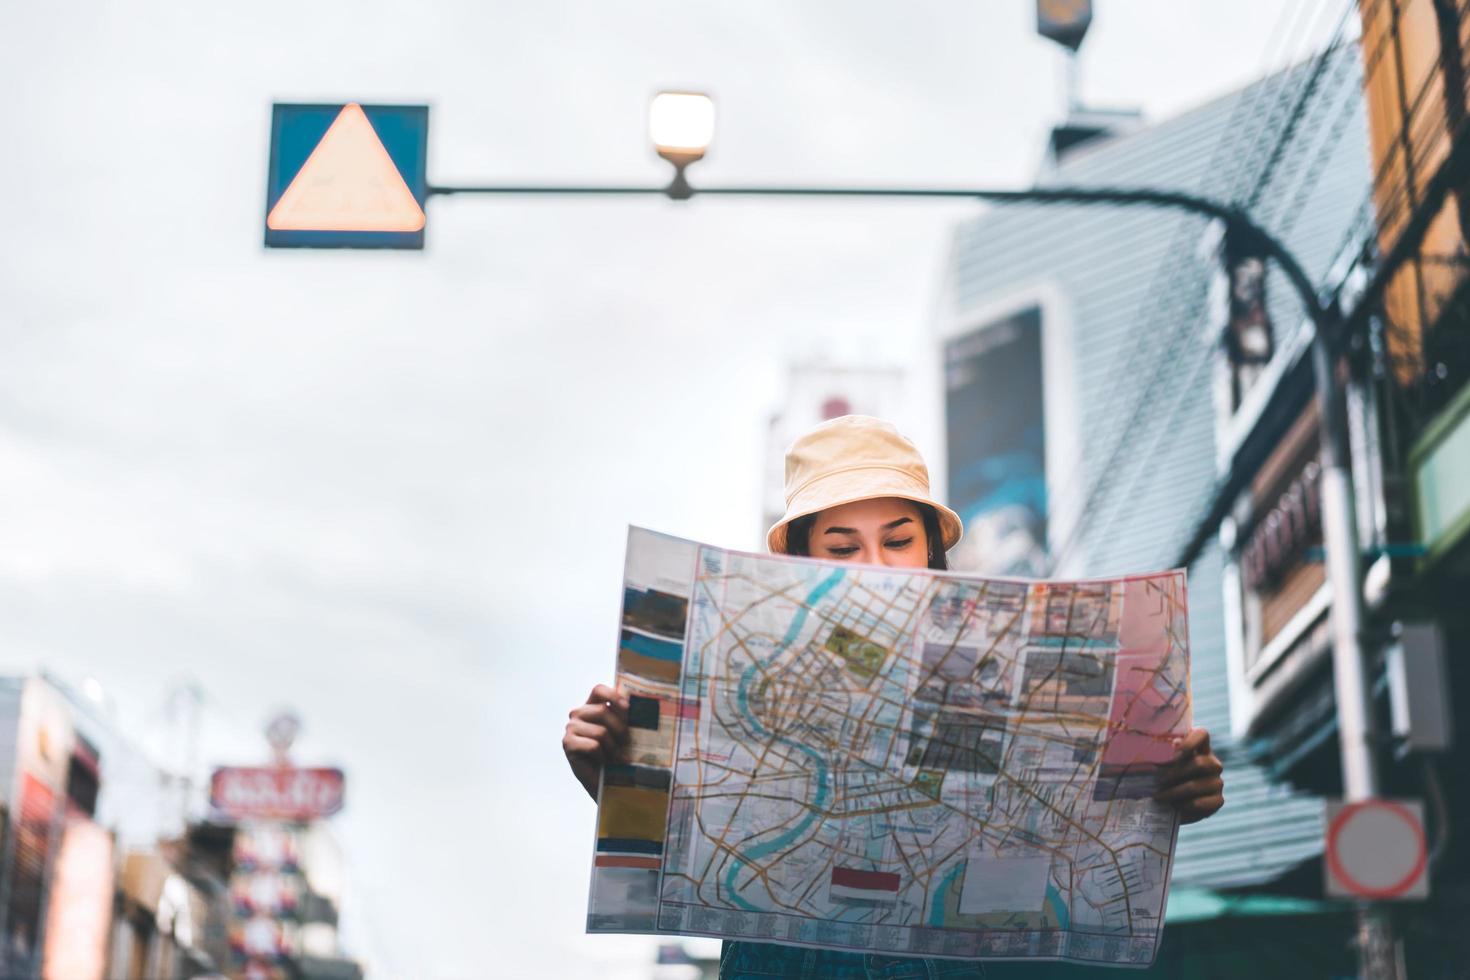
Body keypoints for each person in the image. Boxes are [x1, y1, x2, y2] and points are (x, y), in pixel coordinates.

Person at [563, 415, 1225, 979]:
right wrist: (613, 778)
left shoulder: (1011, 674)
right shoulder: (745, 679)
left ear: (934, 552)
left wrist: (1166, 798)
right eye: (843, 546)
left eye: (898, 540)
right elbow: (697, 851)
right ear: (802, 563)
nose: (876, 566)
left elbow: (1073, 852)